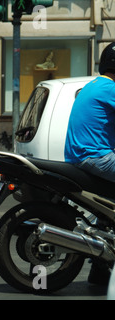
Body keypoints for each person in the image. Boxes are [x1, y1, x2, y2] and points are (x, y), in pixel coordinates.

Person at [64, 42, 115, 285]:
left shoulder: (93, 85)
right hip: (96, 157)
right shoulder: (110, 88)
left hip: (80, 157)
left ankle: (100, 267)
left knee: (108, 206)